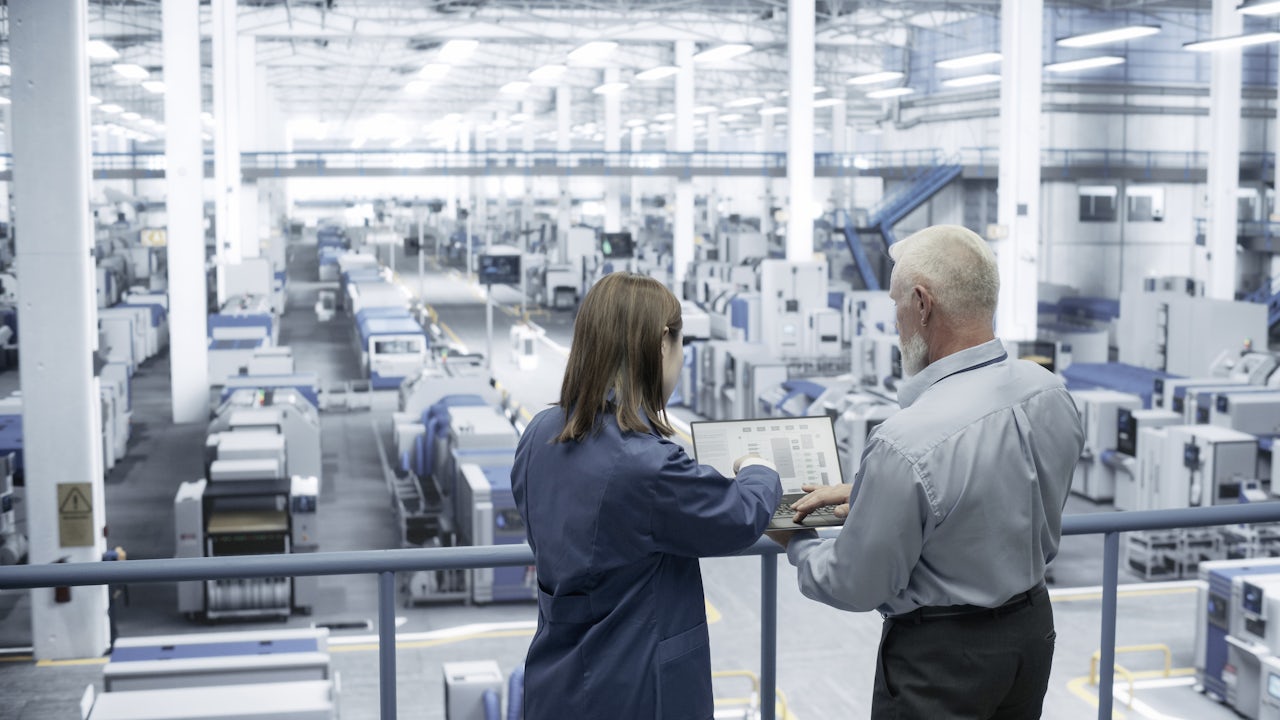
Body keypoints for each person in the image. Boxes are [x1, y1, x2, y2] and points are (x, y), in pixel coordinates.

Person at [771, 225, 1084, 719]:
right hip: (1029, 637)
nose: (895, 321)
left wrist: (794, 535)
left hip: (943, 663)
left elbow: (856, 582)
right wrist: (872, 494)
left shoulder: (906, 442)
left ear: (921, 304)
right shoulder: (1048, 392)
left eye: (896, 303)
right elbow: (997, 493)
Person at [511, 272, 782, 720]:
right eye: (681, 344)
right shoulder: (644, 463)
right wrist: (760, 470)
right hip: (634, 690)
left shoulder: (540, 432)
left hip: (556, 680)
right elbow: (737, 517)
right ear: (661, 344)